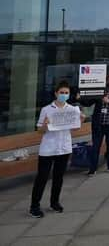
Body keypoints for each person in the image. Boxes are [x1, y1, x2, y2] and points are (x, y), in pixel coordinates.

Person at [30, 81, 84, 218]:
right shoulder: (46, 109)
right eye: (61, 93)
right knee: (41, 178)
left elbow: (75, 128)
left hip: (64, 148)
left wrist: (81, 119)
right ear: (56, 93)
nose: (64, 95)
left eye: (66, 93)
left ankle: (54, 202)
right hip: (48, 149)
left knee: (58, 177)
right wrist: (45, 125)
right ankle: (34, 206)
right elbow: (39, 131)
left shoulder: (71, 109)